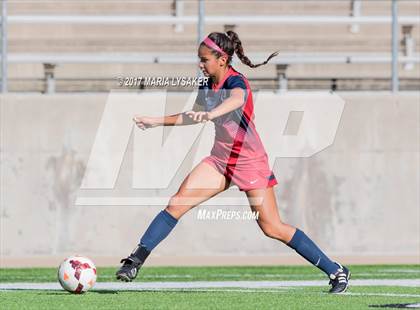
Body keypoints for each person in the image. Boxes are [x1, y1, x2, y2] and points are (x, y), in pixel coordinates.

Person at [116, 31, 350, 294]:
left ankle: (335, 270)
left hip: (249, 162)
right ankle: (135, 260)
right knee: (176, 203)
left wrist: (210, 113)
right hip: (220, 160)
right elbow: (194, 116)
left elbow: (237, 100)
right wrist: (156, 120)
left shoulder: (237, 81)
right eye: (199, 59)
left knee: (272, 227)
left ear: (222, 59)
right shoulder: (206, 85)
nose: (200, 64)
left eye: (204, 59)